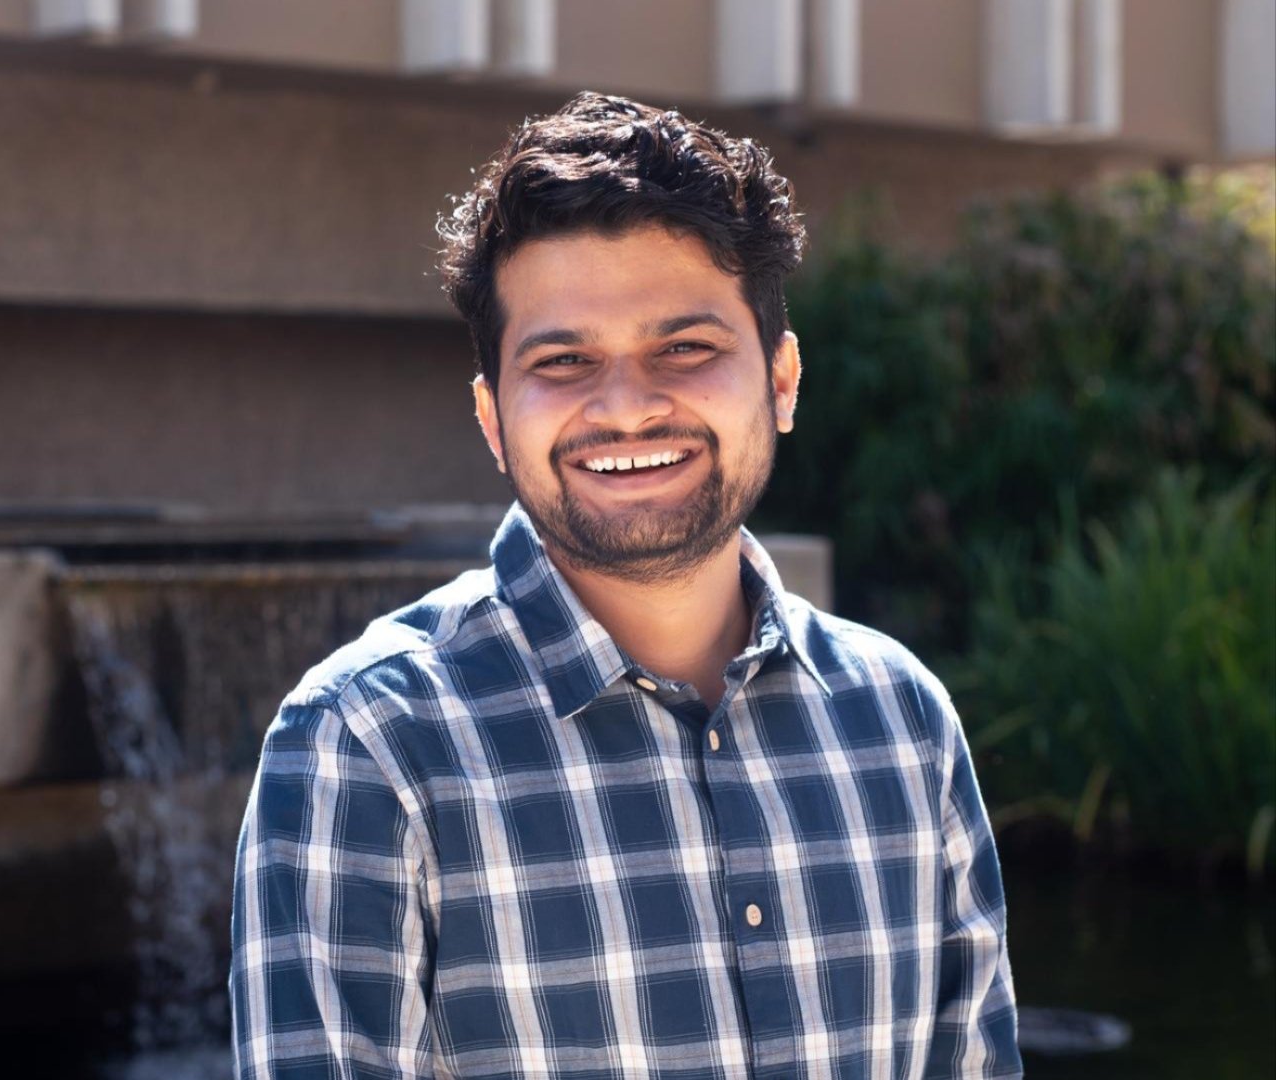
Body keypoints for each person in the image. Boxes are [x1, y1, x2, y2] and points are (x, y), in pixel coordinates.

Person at [228, 92, 1019, 1079]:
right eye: (563, 361)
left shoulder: (902, 721)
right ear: (490, 417)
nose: (628, 409)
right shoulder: (367, 747)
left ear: (781, 379)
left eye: (685, 349)